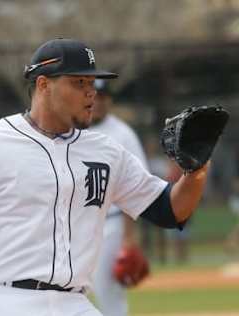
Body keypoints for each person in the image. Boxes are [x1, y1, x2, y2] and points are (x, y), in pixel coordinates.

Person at [0, 38, 210, 316]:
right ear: (43, 84)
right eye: (78, 82)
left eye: (92, 82)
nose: (90, 91)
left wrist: (195, 171)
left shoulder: (105, 151)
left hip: (73, 301)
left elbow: (170, 210)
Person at [88, 79, 147, 316]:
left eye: (103, 96)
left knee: (107, 292)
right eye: (94, 96)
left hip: (111, 224)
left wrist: (129, 237)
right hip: (75, 225)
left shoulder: (123, 134)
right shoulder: (73, 128)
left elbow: (136, 187)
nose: (99, 101)